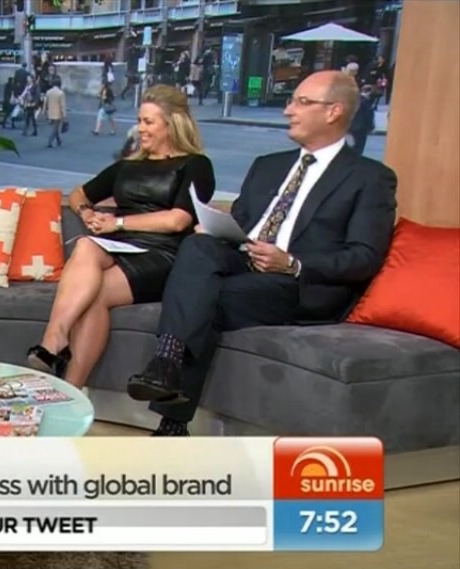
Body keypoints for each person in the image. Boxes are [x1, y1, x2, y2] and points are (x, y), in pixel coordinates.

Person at [126, 71, 398, 436]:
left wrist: (293, 263)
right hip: (244, 260)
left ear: (333, 111)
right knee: (198, 245)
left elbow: (364, 257)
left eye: (302, 102)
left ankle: (171, 408)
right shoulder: (268, 165)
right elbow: (241, 221)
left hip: (298, 283)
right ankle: (168, 364)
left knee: (203, 299)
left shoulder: (370, 177)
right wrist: (215, 227)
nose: (288, 110)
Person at [27, 85, 216, 388]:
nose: (140, 128)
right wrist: (87, 213)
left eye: (148, 122)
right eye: (140, 120)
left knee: (95, 294)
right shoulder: (127, 166)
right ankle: (54, 341)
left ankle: (69, 387)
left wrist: (118, 222)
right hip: (120, 246)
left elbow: (177, 220)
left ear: (172, 124)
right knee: (86, 245)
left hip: (164, 254)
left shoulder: (196, 165)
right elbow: (78, 194)